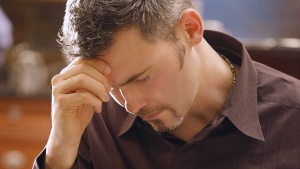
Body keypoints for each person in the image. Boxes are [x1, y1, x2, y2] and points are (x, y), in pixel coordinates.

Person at [33, 0, 300, 168]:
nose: (131, 105)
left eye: (142, 77)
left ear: (190, 29)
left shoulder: (293, 121)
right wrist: (58, 153)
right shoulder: (92, 114)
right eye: (114, 87)